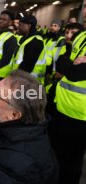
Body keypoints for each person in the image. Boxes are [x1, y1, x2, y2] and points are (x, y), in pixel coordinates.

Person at [49, 28, 86, 184]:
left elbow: (75, 74)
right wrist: (71, 64)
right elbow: (61, 61)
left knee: (71, 164)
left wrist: (70, 65)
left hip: (80, 115)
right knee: (56, 155)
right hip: (61, 105)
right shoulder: (82, 35)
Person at [12, 15, 46, 84]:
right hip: (23, 80)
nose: (18, 27)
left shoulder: (35, 42)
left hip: (30, 82)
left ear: (28, 26)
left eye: (20, 25)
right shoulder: (26, 39)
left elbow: (27, 66)